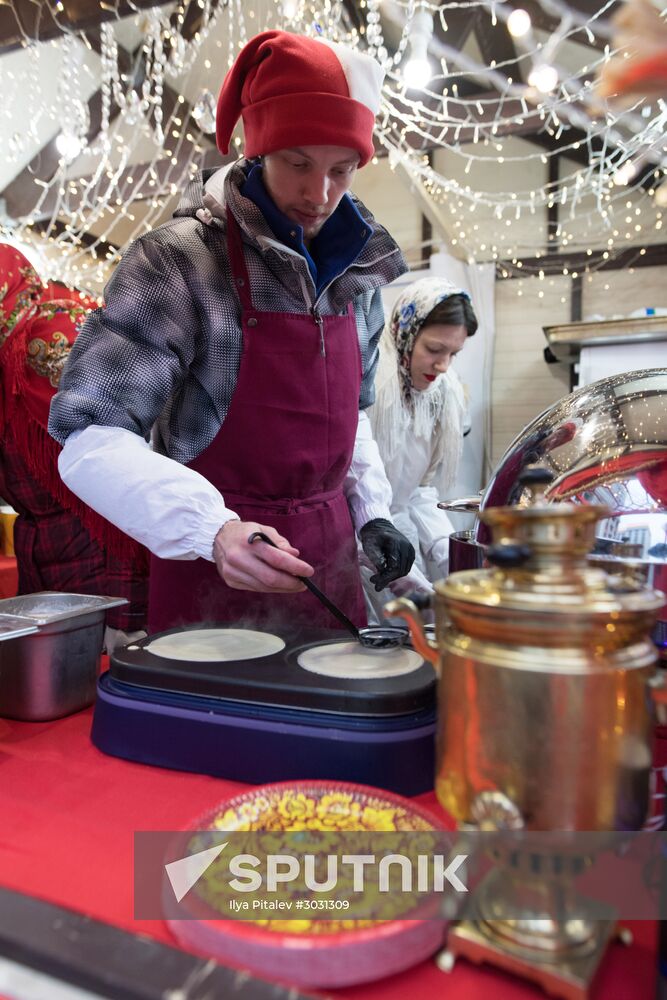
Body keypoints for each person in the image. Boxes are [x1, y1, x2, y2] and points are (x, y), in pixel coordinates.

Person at [48, 30, 416, 635]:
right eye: (298, 162)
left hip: (330, 576)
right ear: (258, 147)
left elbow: (353, 415)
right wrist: (211, 529)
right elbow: (88, 436)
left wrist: (373, 512)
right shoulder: (180, 263)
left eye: (341, 170)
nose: (318, 194)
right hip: (212, 581)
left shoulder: (362, 276)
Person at [0, 244, 148, 649]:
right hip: (43, 575)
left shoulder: (59, 339)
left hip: (102, 576)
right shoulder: (3, 361)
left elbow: (122, 493)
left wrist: (125, 615)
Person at [361, 277, 477, 620]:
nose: (443, 366)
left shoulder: (442, 395)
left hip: (402, 532)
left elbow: (419, 490)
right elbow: (351, 494)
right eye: (434, 349)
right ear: (406, 332)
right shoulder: (370, 388)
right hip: (361, 539)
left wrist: (448, 555)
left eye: (453, 354)